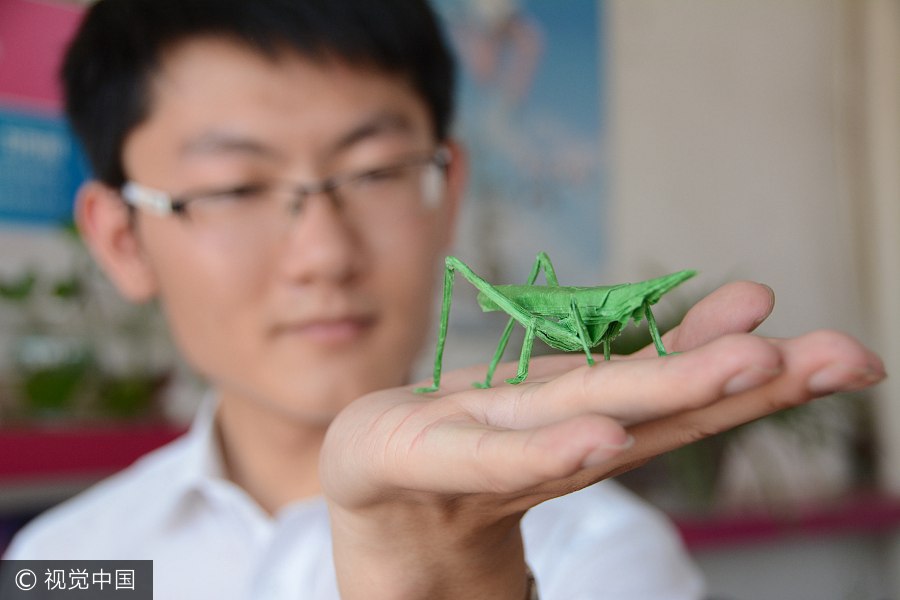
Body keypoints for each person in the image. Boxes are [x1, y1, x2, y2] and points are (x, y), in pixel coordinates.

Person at [5, 1, 885, 598]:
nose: (324, 253)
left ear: (447, 188)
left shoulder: (603, 556)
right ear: (122, 237)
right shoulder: (62, 561)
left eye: (378, 170)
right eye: (235, 185)